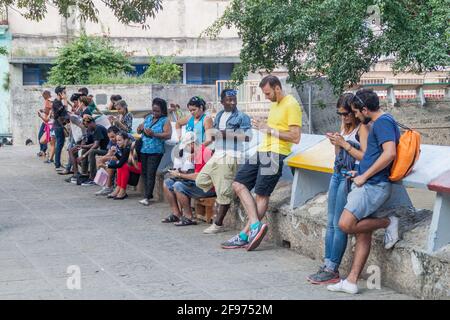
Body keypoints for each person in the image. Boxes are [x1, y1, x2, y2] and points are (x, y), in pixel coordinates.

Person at [327, 89, 400, 295]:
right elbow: (373, 155)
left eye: (357, 112)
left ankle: (388, 222)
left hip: (373, 185)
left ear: (365, 109)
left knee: (345, 224)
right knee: (363, 234)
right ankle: (351, 281)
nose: (356, 116)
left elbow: (389, 153)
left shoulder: (383, 122)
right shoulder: (376, 123)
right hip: (366, 180)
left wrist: (364, 176)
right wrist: (357, 171)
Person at [222, 75, 302, 251]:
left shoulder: (291, 104)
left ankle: (245, 234)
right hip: (263, 150)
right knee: (238, 184)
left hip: (277, 153)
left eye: (267, 93)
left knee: (261, 194)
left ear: (277, 88)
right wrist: (263, 125)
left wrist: (269, 129)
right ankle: (256, 225)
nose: (266, 97)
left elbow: (295, 137)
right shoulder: (275, 104)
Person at [307, 93, 369, 285]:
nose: (343, 118)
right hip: (337, 172)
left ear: (354, 112)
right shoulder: (345, 126)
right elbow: (338, 154)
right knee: (330, 222)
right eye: (340, 114)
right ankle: (327, 264)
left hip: (349, 177)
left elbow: (366, 158)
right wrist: (336, 142)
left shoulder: (363, 129)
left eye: (346, 114)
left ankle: (333, 268)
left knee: (339, 223)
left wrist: (344, 144)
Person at [195, 89, 252, 234]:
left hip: (230, 155)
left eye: (234, 99)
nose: (232, 102)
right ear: (222, 102)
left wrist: (224, 134)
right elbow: (215, 134)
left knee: (223, 192)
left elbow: (247, 137)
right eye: (228, 100)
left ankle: (218, 224)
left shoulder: (242, 116)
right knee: (201, 180)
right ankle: (228, 188)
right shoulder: (219, 115)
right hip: (218, 153)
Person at [161, 132, 215, 226]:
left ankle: (188, 217)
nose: (186, 149)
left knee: (178, 186)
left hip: (208, 187)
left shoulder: (203, 153)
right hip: (200, 183)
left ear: (192, 144)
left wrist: (180, 175)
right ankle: (176, 214)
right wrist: (180, 173)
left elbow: (198, 176)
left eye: (187, 146)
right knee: (167, 183)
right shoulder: (197, 152)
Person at [136, 98, 172, 206]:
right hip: (144, 149)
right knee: (145, 172)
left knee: (151, 172)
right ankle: (147, 194)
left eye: (157, 111)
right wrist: (140, 128)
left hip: (156, 151)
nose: (155, 113)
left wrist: (154, 134)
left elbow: (168, 135)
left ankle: (147, 197)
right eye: (154, 110)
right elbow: (139, 130)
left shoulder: (165, 120)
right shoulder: (148, 118)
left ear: (162, 111)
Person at [67, 115, 109, 184]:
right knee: (84, 150)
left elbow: (96, 145)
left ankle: (92, 177)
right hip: (102, 149)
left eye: (87, 125)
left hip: (107, 151)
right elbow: (94, 143)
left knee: (92, 152)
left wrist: (83, 156)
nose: (87, 128)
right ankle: (84, 173)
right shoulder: (95, 128)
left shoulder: (98, 128)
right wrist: (82, 146)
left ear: (92, 122)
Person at [104, 132, 138, 200]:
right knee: (121, 166)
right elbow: (122, 159)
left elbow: (121, 163)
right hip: (132, 164)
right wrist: (115, 153)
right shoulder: (124, 146)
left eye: (119, 140)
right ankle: (118, 187)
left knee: (123, 166)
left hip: (138, 166)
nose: (117, 142)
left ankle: (122, 190)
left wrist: (106, 165)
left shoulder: (127, 148)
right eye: (117, 141)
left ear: (125, 140)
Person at [95, 126, 121, 196]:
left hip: (125, 158)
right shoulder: (112, 141)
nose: (111, 139)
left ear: (118, 134)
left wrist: (105, 158)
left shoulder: (121, 139)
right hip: (117, 157)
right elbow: (109, 153)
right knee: (101, 160)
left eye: (113, 137)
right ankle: (105, 184)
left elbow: (121, 156)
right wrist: (102, 158)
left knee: (110, 163)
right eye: (109, 137)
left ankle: (108, 187)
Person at [52, 86, 69, 170]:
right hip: (58, 126)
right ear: (59, 93)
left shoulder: (59, 102)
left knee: (60, 144)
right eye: (64, 92)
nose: (65, 94)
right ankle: (57, 164)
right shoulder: (56, 103)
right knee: (59, 144)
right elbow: (64, 110)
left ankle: (58, 163)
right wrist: (65, 100)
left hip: (59, 125)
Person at [37, 90, 54, 160]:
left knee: (41, 135)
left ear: (46, 95)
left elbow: (47, 111)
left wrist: (42, 111)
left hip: (47, 121)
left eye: (43, 96)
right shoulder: (52, 100)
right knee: (47, 137)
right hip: (48, 121)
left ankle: (43, 150)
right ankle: (44, 150)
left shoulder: (48, 101)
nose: (43, 97)